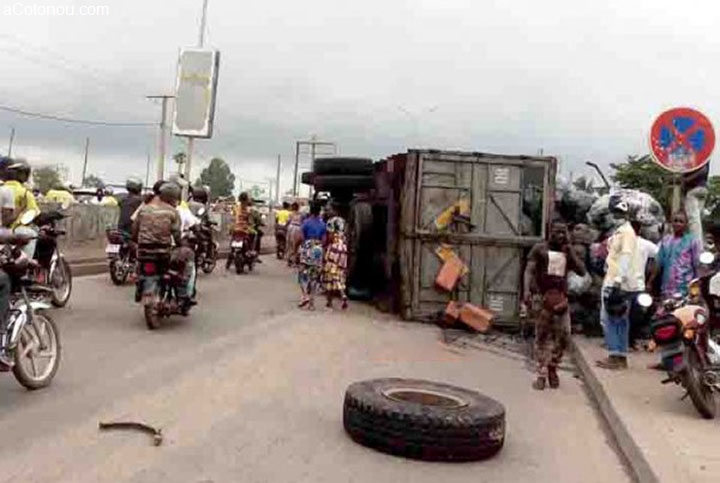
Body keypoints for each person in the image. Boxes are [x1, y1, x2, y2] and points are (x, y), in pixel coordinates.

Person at [523, 219, 586, 390]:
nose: (559, 235)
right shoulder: (540, 249)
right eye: (556, 232)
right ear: (549, 232)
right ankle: (542, 373)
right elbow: (529, 270)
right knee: (542, 337)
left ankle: (553, 365)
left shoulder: (567, 251)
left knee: (565, 335)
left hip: (561, 300)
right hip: (541, 298)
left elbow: (581, 271)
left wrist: (570, 251)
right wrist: (526, 291)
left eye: (562, 232)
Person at [596, 196, 641, 370]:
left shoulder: (626, 233)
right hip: (618, 281)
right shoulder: (622, 231)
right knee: (620, 320)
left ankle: (615, 354)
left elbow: (625, 256)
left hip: (616, 282)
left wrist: (617, 281)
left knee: (610, 319)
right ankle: (619, 356)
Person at [132, 182, 193, 305]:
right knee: (187, 256)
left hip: (143, 252)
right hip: (163, 253)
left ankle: (140, 287)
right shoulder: (172, 212)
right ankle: (182, 295)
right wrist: (181, 245)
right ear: (173, 198)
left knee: (139, 268)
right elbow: (176, 234)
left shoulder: (144, 208)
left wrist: (137, 242)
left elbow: (134, 230)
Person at [648, 210, 702, 300]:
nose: (677, 224)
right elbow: (658, 263)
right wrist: (650, 282)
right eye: (675, 221)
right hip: (667, 289)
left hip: (685, 289)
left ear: (686, 224)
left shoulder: (692, 241)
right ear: (671, 222)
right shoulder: (666, 241)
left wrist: (697, 287)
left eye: (681, 221)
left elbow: (697, 265)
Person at [629, 221, 659, 351]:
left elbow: (659, 256)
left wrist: (650, 280)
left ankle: (631, 339)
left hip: (638, 285)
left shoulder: (645, 244)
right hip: (620, 285)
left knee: (637, 314)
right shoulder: (618, 242)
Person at [3, 159, 40, 259]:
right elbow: (35, 213)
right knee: (32, 235)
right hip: (14, 230)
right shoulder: (24, 193)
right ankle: (26, 264)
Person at [298, 202, 326, 309]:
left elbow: (301, 237)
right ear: (319, 212)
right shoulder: (323, 224)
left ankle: (305, 295)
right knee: (314, 276)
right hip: (318, 248)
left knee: (302, 273)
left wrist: (302, 248)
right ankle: (312, 303)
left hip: (307, 247)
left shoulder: (306, 223)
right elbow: (324, 240)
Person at [322, 204, 349, 309]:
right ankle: (343, 294)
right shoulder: (343, 221)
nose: (328, 212)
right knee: (339, 273)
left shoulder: (331, 221)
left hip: (334, 248)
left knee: (329, 274)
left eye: (329, 210)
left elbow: (330, 236)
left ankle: (329, 302)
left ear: (334, 210)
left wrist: (325, 247)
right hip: (343, 248)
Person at [227, 192, 253, 269]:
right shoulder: (248, 210)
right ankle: (249, 257)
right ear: (247, 200)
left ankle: (228, 263)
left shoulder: (236, 208)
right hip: (244, 230)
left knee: (232, 247)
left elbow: (232, 218)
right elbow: (250, 221)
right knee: (251, 239)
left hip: (235, 229)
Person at [286, 202, 303, 266]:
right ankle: (294, 260)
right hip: (298, 229)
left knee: (290, 245)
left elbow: (288, 221)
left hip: (291, 228)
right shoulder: (300, 214)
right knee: (296, 246)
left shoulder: (291, 214)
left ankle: (290, 259)